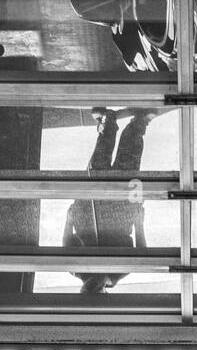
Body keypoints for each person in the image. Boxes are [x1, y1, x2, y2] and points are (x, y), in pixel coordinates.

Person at [65, 107, 156, 294]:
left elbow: (66, 241)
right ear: (105, 292)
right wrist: (139, 222)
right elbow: (141, 251)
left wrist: (69, 219)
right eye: (96, 290)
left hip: (89, 214)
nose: (90, 285)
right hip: (120, 217)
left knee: (99, 162)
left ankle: (108, 124)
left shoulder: (75, 269)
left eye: (86, 290)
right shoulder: (120, 272)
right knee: (129, 164)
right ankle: (138, 124)